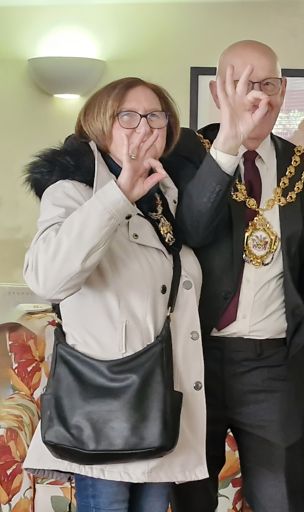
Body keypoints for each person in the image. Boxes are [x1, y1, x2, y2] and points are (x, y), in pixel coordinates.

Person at [21, 77, 207, 512]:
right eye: (128, 116)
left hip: (158, 400)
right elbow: (47, 278)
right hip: (105, 403)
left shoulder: (167, 196)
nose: (143, 127)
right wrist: (118, 194)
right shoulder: (72, 190)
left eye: (155, 116)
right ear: (100, 126)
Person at [171, 40, 304, 512]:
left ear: (283, 91)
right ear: (219, 93)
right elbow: (190, 230)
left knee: (282, 499)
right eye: (242, 85)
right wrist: (228, 144)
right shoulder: (185, 153)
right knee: (191, 497)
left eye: (268, 84)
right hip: (195, 358)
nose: (257, 95)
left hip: (273, 365)